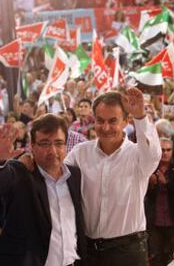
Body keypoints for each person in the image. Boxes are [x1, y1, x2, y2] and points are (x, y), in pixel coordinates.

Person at [65, 88, 162, 266]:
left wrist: (140, 116)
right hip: (89, 252)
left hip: (128, 252)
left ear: (126, 121)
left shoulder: (139, 155)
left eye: (113, 121)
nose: (106, 128)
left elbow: (154, 154)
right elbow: (56, 177)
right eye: (100, 121)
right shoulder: (80, 153)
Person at [0, 114, 86, 266]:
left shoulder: (76, 175)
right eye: (44, 144)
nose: (52, 151)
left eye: (59, 143)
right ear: (32, 146)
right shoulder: (22, 172)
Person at [145, 137, 174, 266]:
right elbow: (143, 194)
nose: (165, 153)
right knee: (156, 256)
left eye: (168, 150)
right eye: (162, 150)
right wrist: (151, 185)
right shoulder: (150, 167)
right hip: (155, 220)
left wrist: (167, 183)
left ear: (172, 151)